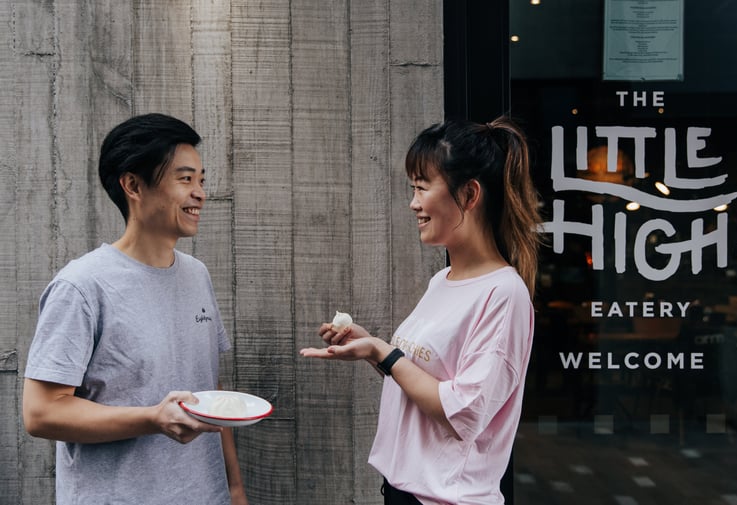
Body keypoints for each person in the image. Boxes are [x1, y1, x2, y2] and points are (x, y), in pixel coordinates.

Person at [301, 116, 542, 505]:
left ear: (469, 195)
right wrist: (368, 347)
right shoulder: (442, 280)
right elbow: (422, 379)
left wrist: (384, 351)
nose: (413, 203)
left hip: (448, 498)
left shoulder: (503, 293)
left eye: (422, 187)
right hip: (406, 491)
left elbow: (462, 411)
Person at [22, 113, 248, 505]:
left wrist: (233, 489)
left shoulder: (197, 275)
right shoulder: (82, 285)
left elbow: (211, 391)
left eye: (201, 179)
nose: (200, 193)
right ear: (133, 185)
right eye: (184, 179)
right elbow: (41, 413)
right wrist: (152, 418)